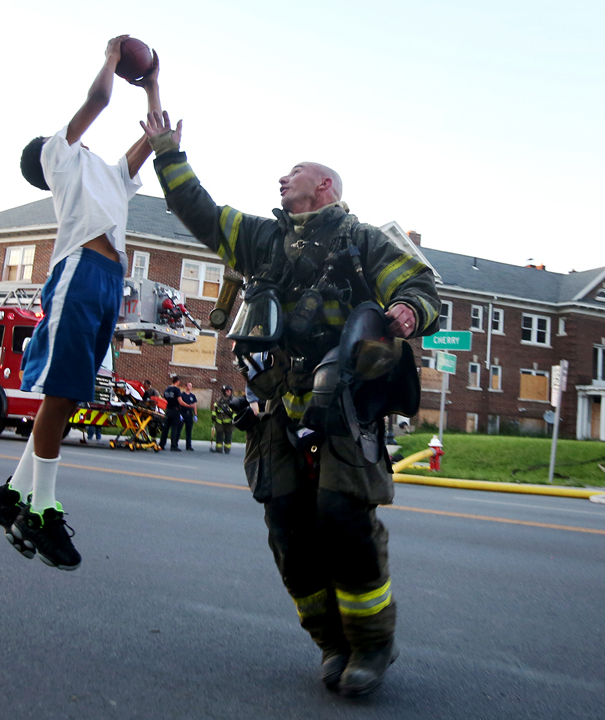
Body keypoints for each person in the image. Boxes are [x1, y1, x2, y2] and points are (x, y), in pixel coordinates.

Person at [141, 110, 439, 696]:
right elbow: (198, 210)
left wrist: (406, 310)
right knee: (287, 524)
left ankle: (372, 646)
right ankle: (331, 643)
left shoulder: (364, 241)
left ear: (325, 185)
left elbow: (422, 287)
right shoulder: (262, 240)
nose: (283, 178)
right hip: (279, 406)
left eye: (294, 171)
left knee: (342, 516)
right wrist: (168, 155)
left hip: (345, 406)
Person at [0, 37, 161, 572]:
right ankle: (42, 509)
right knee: (61, 394)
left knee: (72, 393)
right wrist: (111, 56)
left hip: (108, 280)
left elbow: (151, 139)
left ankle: (10, 495)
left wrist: (152, 84)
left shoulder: (106, 177)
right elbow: (99, 101)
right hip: (79, 272)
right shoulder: (58, 157)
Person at [210, 385, 236, 453]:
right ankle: (219, 449)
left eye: (230, 391)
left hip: (229, 421)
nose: (229, 392)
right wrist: (213, 416)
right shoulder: (219, 400)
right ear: (224, 392)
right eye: (227, 391)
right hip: (219, 420)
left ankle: (227, 449)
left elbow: (236, 411)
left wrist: (233, 416)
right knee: (219, 434)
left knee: (228, 435)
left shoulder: (234, 400)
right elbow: (214, 408)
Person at [163, 375, 184, 451]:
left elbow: (165, 398)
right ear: (177, 382)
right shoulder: (176, 390)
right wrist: (189, 405)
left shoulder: (167, 389)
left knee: (166, 428)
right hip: (175, 410)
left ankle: (162, 444)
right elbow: (180, 401)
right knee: (174, 428)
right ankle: (173, 446)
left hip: (168, 409)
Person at [180, 381, 198, 450]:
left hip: (189, 414)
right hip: (183, 413)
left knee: (189, 431)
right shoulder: (182, 395)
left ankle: (188, 446)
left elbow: (194, 406)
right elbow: (180, 404)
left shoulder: (192, 396)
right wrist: (180, 414)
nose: (190, 387)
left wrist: (195, 415)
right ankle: (175, 444)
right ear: (186, 386)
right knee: (179, 429)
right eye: (189, 385)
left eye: (191, 386)